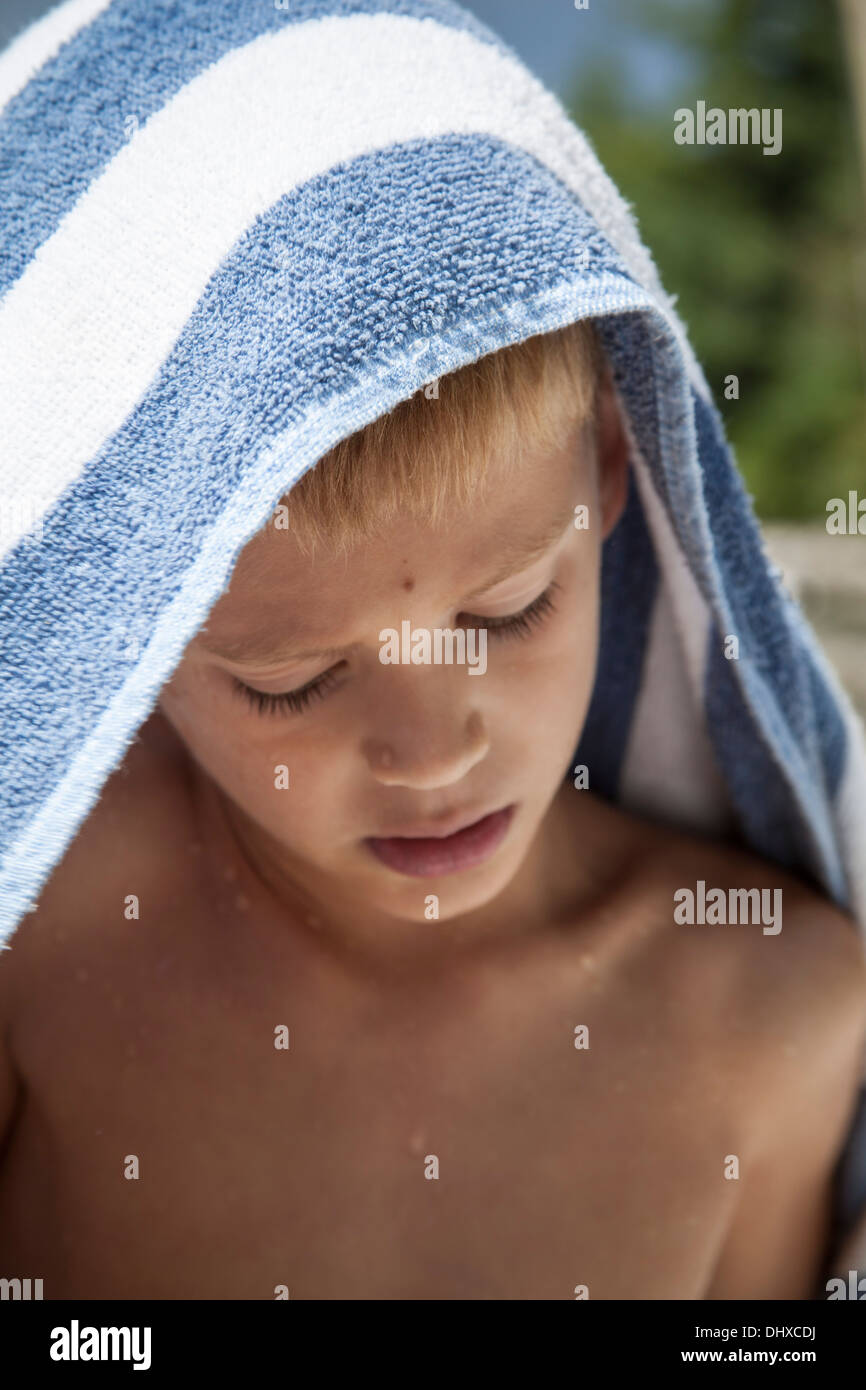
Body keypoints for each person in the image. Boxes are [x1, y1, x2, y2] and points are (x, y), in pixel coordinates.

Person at [1, 0, 864, 1300]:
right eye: (289, 677)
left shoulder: (778, 1020)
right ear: (128, 623)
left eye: (510, 606)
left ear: (615, 471)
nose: (433, 749)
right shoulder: (43, 948)